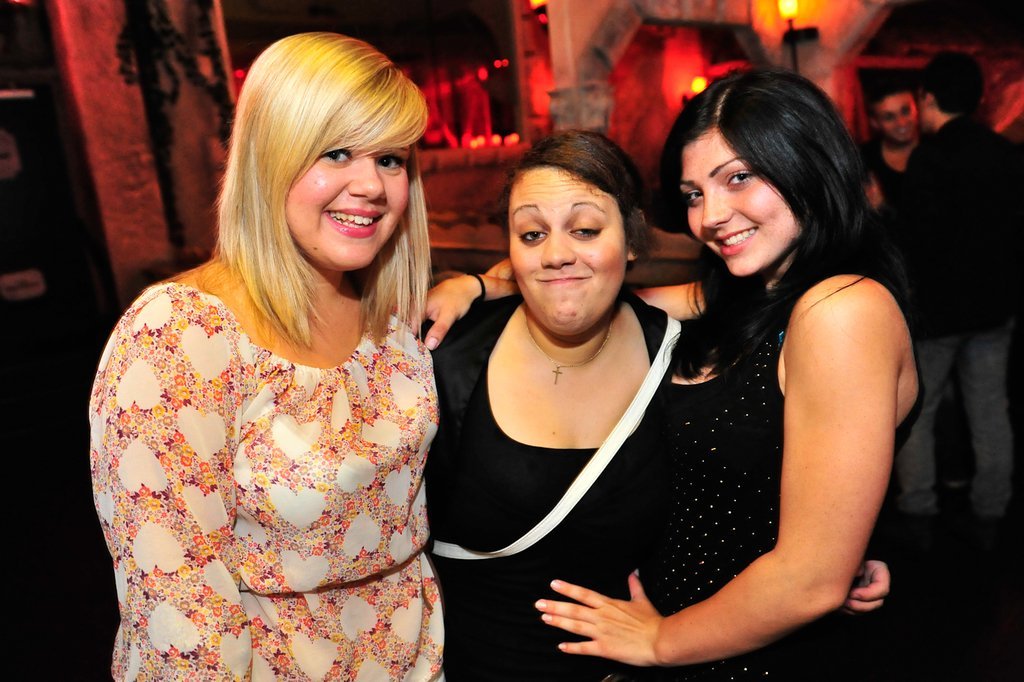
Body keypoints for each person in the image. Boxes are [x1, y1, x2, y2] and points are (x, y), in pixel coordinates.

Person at [423, 128, 894, 681]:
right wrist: (478, 284)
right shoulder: (445, 357)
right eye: (531, 234)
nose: (556, 253)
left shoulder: (680, 347)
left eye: (585, 229)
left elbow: (745, 474)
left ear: (631, 239)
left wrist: (835, 559)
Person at [530, 69, 918, 679]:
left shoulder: (842, 310)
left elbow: (810, 579)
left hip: (744, 656)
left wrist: (660, 642)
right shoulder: (751, 295)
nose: (710, 216)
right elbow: (590, 296)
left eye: (738, 178)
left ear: (807, 163)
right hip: (699, 635)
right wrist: (479, 285)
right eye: (692, 194)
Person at [89, 33, 443, 680]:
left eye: (391, 159)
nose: (371, 184)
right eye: (337, 152)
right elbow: (179, 608)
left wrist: (488, 282)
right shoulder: (179, 337)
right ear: (270, 157)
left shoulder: (391, 322)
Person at [894, 52, 1021, 547]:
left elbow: (915, 241)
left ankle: (918, 511)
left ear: (927, 98)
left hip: (938, 312)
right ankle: (991, 511)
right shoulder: (1006, 154)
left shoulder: (928, 158)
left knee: (919, 413)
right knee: (990, 411)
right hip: (994, 307)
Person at [860, 77, 918, 221]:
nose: (901, 122)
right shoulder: (864, 158)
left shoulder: (939, 152)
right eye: (889, 117)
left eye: (906, 111)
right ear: (875, 123)